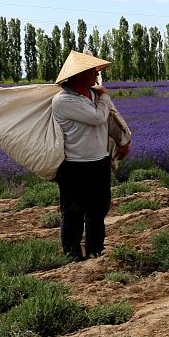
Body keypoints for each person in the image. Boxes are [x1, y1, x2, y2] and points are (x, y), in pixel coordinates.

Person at [51, 51, 129, 260]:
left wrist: (123, 140)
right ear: (78, 75)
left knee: (98, 212)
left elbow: (111, 119)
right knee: (73, 213)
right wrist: (105, 95)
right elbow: (98, 118)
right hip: (74, 166)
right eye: (92, 71)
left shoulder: (94, 95)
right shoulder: (63, 101)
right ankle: (73, 256)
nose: (96, 74)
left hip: (99, 163)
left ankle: (95, 253)